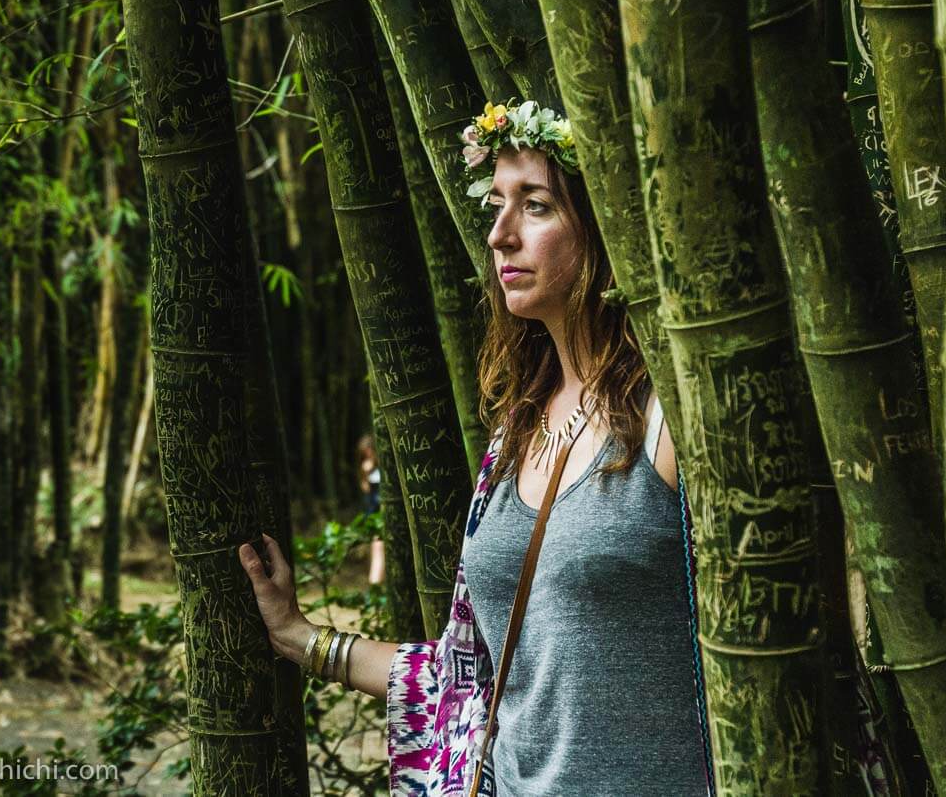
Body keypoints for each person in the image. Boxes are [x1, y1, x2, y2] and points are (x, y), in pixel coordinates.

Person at [240, 99, 718, 796]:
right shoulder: (512, 433)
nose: (499, 234)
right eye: (496, 203)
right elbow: (466, 679)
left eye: (536, 205)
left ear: (609, 223)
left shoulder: (671, 414)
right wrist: (303, 637)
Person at [356, 434, 386, 585]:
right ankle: (375, 583)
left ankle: (377, 583)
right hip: (375, 514)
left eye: (369, 450)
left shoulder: (383, 464)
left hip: (384, 512)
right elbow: (366, 490)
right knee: (377, 548)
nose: (367, 453)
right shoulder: (367, 466)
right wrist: (366, 473)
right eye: (364, 451)